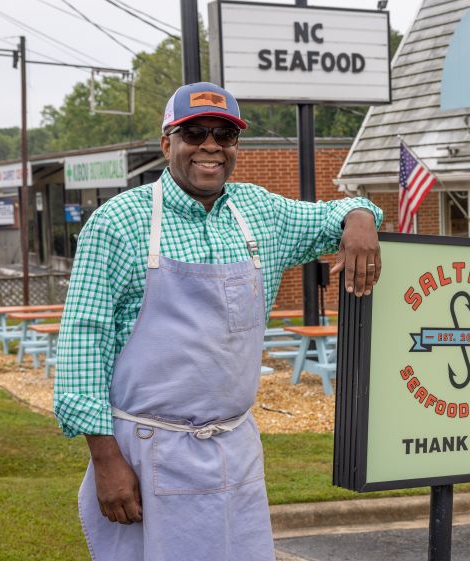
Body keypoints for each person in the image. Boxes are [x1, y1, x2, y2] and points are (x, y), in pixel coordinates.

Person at [53, 82, 383, 561]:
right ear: (168, 143)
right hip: (147, 453)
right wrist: (106, 460)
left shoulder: (260, 212)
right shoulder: (118, 223)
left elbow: (337, 212)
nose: (210, 146)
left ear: (235, 146)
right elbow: (84, 342)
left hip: (236, 447)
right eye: (194, 133)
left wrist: (360, 218)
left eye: (224, 135)